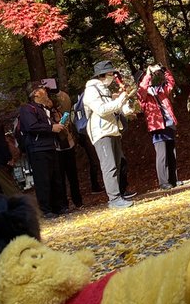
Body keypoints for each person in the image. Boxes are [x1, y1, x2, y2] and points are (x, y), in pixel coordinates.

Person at [83, 61, 138, 209]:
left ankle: (119, 194)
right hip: (101, 133)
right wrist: (119, 100)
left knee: (119, 163)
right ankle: (114, 199)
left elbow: (116, 109)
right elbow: (101, 110)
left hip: (113, 130)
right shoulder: (91, 90)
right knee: (109, 166)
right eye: (110, 74)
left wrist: (124, 101)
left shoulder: (105, 90)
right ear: (102, 75)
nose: (113, 77)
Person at [16, 84, 68, 218]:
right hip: (37, 148)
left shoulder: (43, 109)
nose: (45, 92)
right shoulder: (27, 109)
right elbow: (31, 127)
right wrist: (51, 127)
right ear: (35, 94)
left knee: (55, 177)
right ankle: (46, 209)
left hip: (50, 145)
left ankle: (59, 206)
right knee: (43, 179)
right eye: (42, 89)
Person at [138, 64, 179, 190]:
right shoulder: (142, 95)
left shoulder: (160, 91)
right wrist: (148, 74)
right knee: (161, 155)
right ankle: (163, 182)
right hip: (157, 127)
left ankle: (174, 180)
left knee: (172, 153)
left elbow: (171, 83)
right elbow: (142, 89)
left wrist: (164, 70)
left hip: (168, 124)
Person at [46, 87, 82, 210]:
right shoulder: (45, 116)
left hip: (68, 145)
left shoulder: (61, 111)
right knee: (59, 178)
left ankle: (78, 201)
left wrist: (57, 92)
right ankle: (63, 204)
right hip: (56, 149)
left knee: (73, 176)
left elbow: (66, 101)